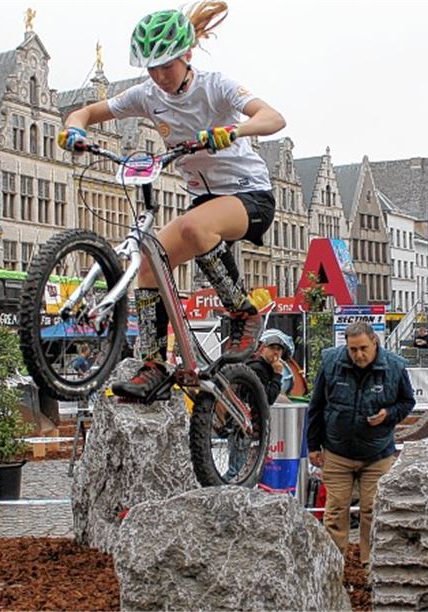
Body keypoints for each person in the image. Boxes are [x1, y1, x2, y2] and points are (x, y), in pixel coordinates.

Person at [58, 3, 285, 402]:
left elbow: (273, 118)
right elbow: (86, 111)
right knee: (149, 262)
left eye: (167, 66)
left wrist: (232, 131)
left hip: (249, 194)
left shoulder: (216, 86)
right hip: (204, 198)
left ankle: (242, 312)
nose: (160, 76)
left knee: (195, 228)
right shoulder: (147, 95)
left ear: (187, 55)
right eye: (151, 68)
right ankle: (154, 365)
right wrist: (74, 131)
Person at [306, 321, 415, 562]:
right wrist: (313, 445)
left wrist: (389, 414)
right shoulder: (331, 362)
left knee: (372, 510)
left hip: (377, 454)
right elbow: (316, 406)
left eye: (363, 348)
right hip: (337, 451)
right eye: (353, 349)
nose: (358, 354)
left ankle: (371, 565)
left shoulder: (395, 367)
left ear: (374, 342)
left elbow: (407, 402)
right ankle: (333, 565)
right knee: (335, 511)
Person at [225, 329, 293, 480]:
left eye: (279, 349)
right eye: (272, 348)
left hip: (245, 425)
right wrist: (277, 375)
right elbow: (267, 398)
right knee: (237, 472)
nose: (275, 353)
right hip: (242, 427)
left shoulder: (262, 367)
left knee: (244, 472)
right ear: (263, 348)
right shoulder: (258, 368)